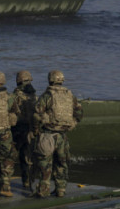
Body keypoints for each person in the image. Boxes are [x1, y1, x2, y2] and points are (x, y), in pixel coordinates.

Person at [32, 70, 83, 198]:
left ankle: (43, 190)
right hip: (62, 136)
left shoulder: (47, 95)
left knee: (45, 164)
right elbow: (79, 113)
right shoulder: (70, 95)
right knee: (61, 163)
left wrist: (35, 130)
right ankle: (60, 189)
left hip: (48, 135)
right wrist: (73, 123)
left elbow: (37, 113)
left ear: (50, 80)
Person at [11, 70, 37, 190]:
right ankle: (28, 183)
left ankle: (3, 184)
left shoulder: (15, 96)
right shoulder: (34, 96)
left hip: (17, 130)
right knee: (28, 158)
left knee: (9, 157)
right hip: (30, 131)